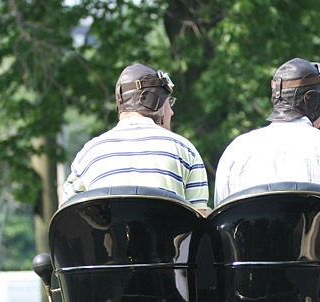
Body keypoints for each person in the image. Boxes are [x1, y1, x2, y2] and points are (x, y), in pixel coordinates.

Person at [214, 58, 320, 242]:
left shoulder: (235, 152)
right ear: (313, 100)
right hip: (318, 270)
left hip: (251, 270)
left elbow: (223, 223)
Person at [60, 63, 210, 215]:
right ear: (153, 101)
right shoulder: (185, 150)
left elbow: (65, 219)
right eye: (168, 102)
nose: (171, 112)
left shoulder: (88, 154)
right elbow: (198, 224)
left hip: (109, 239)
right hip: (165, 239)